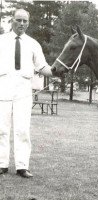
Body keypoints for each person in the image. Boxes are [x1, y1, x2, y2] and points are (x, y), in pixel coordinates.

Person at [0, 9, 53, 178]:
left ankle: (22, 166)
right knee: (1, 128)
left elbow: (42, 66)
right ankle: (2, 164)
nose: (22, 23)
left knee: (22, 129)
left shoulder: (33, 44)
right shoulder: (1, 41)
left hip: (24, 90)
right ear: (12, 21)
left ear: (28, 23)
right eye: (18, 20)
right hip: (3, 87)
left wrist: (56, 72)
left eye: (25, 21)